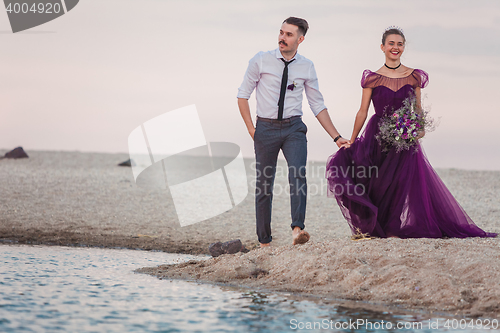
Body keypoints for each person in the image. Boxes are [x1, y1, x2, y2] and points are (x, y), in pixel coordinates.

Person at [325, 26, 497, 239]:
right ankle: (374, 226)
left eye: (399, 44)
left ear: (403, 47)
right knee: (377, 181)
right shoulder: (372, 78)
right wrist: (351, 139)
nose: (395, 47)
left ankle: (393, 229)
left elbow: (417, 108)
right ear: (382, 47)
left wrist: (419, 128)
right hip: (377, 135)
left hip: (405, 138)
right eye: (391, 44)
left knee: (400, 182)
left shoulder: (413, 76)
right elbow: (362, 111)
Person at [237, 17, 349, 248]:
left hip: (293, 128)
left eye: (289, 34)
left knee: (298, 173)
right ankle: (264, 242)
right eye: (281, 32)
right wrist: (252, 129)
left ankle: (297, 229)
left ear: (300, 39)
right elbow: (242, 95)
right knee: (264, 184)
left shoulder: (306, 66)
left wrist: (336, 137)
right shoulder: (261, 60)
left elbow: (317, 105)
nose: (282, 38)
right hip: (265, 128)